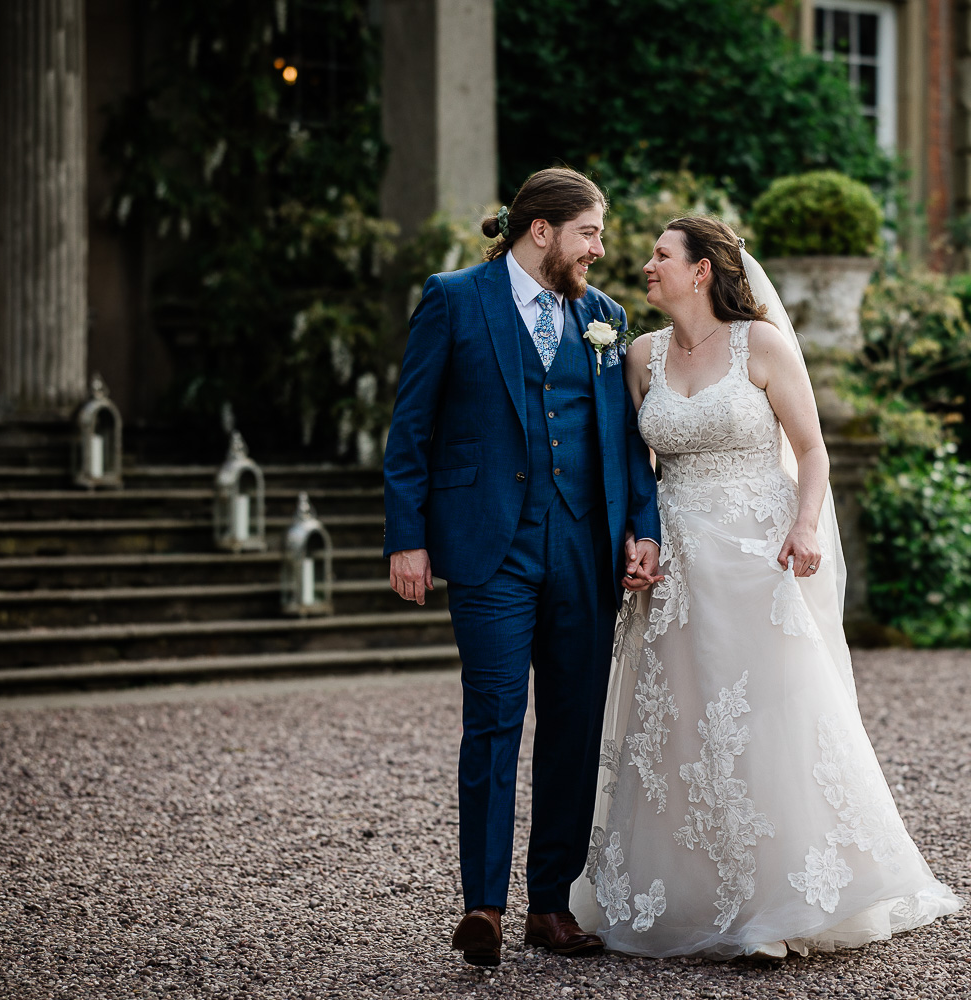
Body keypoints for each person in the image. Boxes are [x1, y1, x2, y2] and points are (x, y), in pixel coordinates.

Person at [567, 217, 963, 958]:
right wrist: (635, 539)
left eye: (661, 255)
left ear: (701, 271)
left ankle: (777, 909)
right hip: (677, 567)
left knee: (768, 717)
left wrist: (806, 526)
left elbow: (811, 450)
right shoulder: (641, 355)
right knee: (680, 722)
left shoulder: (764, 345)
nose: (646, 264)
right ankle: (693, 894)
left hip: (758, 557)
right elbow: (633, 468)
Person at [382, 167, 663, 967]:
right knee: (494, 720)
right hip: (489, 548)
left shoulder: (604, 318)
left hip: (583, 547)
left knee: (573, 728)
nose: (599, 250)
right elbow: (411, 426)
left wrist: (642, 529)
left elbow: (625, 440)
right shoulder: (453, 299)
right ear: (542, 230)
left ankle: (550, 906)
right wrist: (407, 538)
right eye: (589, 233)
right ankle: (484, 905)